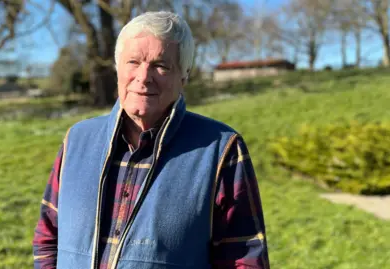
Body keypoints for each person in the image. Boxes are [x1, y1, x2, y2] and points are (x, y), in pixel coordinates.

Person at [33, 11, 270, 269]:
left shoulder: (221, 149)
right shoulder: (77, 140)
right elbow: (48, 236)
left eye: (161, 65)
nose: (144, 76)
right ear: (118, 68)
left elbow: (245, 259)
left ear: (184, 76)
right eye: (133, 62)